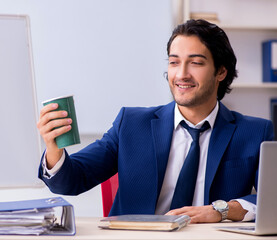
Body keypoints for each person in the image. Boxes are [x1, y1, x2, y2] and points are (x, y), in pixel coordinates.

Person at [37, 19, 274, 223]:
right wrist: (53, 149)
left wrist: (221, 210)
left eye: (196, 62)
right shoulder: (131, 124)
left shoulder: (255, 132)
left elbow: (273, 198)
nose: (181, 74)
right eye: (174, 62)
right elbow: (72, 181)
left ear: (221, 72)